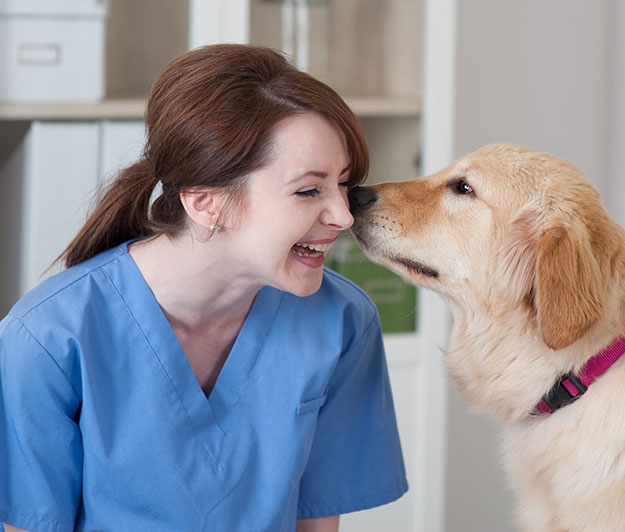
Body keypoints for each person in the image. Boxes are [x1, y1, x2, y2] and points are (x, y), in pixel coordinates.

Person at [0, 44, 407, 532]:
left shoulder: (341, 321)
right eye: (308, 190)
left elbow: (316, 522)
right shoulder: (47, 338)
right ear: (206, 203)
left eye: (343, 184)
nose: (343, 216)